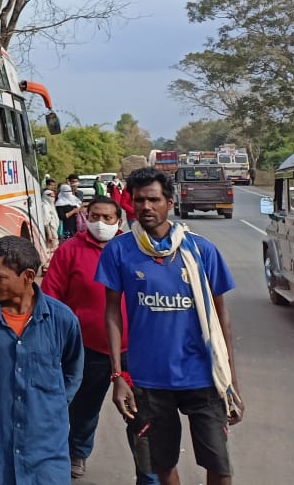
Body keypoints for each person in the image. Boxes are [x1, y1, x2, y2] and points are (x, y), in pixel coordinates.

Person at [96, 168, 243, 485]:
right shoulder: (119, 252)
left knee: (219, 465)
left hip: (202, 376)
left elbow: (221, 317)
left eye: (153, 199)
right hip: (149, 381)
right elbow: (112, 314)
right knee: (162, 465)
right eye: (139, 200)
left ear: (170, 203)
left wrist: (231, 381)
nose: (146, 207)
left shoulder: (201, 251)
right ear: (130, 204)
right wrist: (118, 376)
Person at [0, 236, 84, 485]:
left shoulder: (62, 320)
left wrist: (49, 408)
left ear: (29, 277)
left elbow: (73, 372)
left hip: (47, 455)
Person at [42, 197, 158, 483]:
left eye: (108, 218)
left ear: (119, 220)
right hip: (85, 349)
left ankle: (147, 473)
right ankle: (77, 453)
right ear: (85, 217)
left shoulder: (135, 250)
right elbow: (50, 298)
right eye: (95, 216)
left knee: (139, 414)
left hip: (133, 350)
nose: (101, 223)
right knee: (83, 410)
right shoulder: (69, 252)